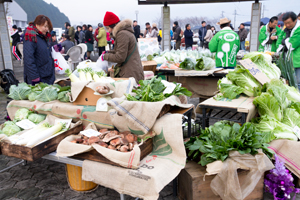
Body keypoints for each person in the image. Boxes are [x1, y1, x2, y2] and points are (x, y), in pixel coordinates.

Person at [101, 11, 144, 83]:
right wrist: (109, 52)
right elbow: (121, 50)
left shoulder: (122, 34)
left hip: (130, 73)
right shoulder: (123, 33)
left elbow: (120, 57)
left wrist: (105, 56)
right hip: (131, 70)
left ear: (112, 26)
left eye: (108, 28)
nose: (108, 31)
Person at [23, 15, 55, 85]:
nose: (47, 29)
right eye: (45, 26)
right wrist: (34, 77)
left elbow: (44, 49)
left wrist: (54, 48)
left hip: (47, 74)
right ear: (37, 24)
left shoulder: (43, 36)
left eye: (48, 27)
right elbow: (28, 59)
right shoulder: (30, 36)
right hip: (38, 77)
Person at [277, 12, 300, 90]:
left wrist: (284, 41)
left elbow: (292, 44)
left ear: (295, 20)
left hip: (297, 60)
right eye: (285, 23)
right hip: (288, 60)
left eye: (289, 23)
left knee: (297, 83)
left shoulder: (299, 29)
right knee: (290, 82)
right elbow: (279, 41)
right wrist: (284, 41)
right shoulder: (285, 30)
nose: (287, 25)